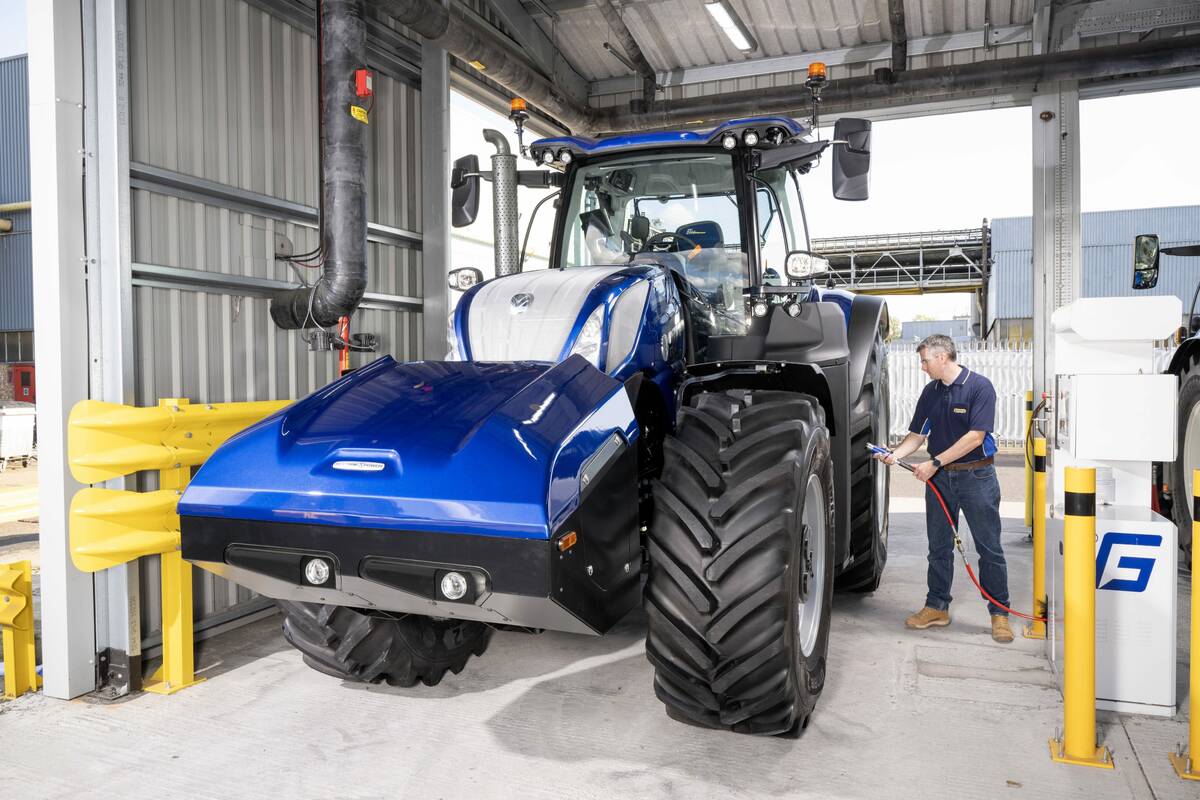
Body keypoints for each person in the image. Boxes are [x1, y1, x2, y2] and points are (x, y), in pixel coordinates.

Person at [877, 334, 1013, 644]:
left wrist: (934, 463)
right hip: (940, 480)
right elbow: (917, 434)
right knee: (938, 547)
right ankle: (937, 606)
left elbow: (975, 438)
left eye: (925, 360)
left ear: (942, 358)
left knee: (988, 548)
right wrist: (895, 454)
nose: (922, 367)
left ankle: (1000, 613)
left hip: (976, 477)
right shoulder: (931, 392)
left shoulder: (980, 387)